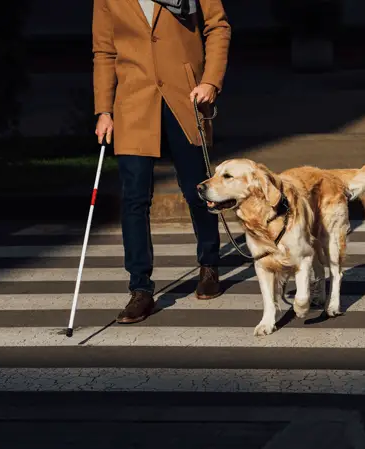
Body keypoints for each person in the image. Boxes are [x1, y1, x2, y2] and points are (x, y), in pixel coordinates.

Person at [92, 0, 231, 324]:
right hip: (133, 102)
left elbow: (218, 26)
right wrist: (104, 110)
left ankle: (209, 264)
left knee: (198, 190)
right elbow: (104, 51)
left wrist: (210, 80)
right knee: (134, 200)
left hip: (185, 96)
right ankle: (140, 289)